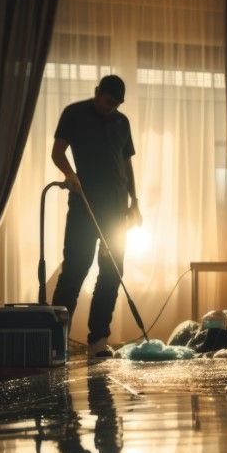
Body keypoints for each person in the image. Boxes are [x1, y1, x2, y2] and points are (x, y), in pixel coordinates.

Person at [51, 75, 141, 358]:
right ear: (97, 92)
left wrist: (135, 201)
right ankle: (56, 341)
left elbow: (126, 164)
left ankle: (98, 339)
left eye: (116, 104)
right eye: (107, 102)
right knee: (76, 269)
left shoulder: (121, 123)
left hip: (116, 210)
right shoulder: (74, 113)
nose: (111, 108)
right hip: (84, 205)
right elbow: (57, 152)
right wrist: (70, 175)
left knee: (112, 271)